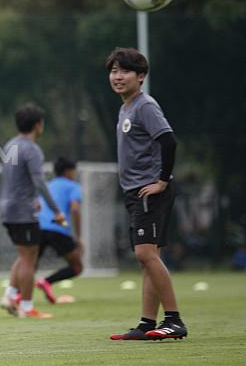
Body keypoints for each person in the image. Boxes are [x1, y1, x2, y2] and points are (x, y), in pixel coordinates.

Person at [106, 47, 187, 341]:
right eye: (114, 71)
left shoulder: (145, 105)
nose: (117, 77)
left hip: (149, 191)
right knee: (148, 258)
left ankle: (174, 320)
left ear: (140, 76)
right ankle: (145, 324)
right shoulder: (126, 107)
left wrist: (162, 180)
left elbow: (168, 140)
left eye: (124, 71)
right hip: (136, 192)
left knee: (145, 254)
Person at [0, 103, 65, 319]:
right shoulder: (32, 149)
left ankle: (9, 295)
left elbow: (15, 178)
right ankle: (26, 307)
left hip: (7, 206)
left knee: (24, 253)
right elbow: (39, 181)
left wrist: (31, 198)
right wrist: (56, 210)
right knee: (29, 259)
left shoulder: (10, 145)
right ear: (38, 124)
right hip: (22, 211)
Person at [35, 157, 84, 304]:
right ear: (68, 171)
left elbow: (37, 206)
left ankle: (16, 296)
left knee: (29, 264)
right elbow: (75, 209)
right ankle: (47, 282)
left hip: (39, 227)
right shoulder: (73, 186)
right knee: (77, 267)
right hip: (57, 228)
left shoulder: (48, 186)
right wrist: (79, 236)